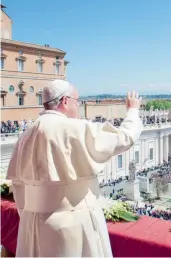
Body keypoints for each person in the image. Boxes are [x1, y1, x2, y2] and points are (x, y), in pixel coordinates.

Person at [6, 79, 143, 257]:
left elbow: (18, 186)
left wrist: (31, 213)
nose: (78, 106)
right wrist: (133, 111)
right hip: (72, 223)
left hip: (31, 223)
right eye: (77, 101)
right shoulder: (75, 128)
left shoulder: (26, 134)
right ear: (65, 101)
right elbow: (123, 138)